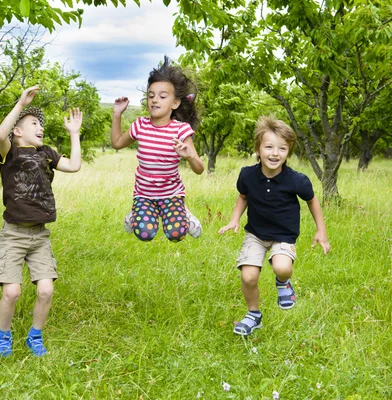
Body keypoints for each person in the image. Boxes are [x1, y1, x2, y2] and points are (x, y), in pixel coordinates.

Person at [218, 116, 331, 336]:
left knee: (282, 267)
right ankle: (253, 315)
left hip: (283, 235)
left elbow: (312, 200)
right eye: (268, 147)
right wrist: (234, 220)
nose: (274, 153)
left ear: (288, 152)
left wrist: (321, 231)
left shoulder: (297, 180)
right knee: (248, 276)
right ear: (258, 149)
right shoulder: (247, 175)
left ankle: (283, 283)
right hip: (256, 234)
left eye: (282, 148)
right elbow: (243, 196)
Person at [0, 85, 82, 357]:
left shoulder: (47, 153)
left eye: (40, 124)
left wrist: (74, 134)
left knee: (46, 290)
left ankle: (35, 335)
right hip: (14, 234)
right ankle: (3, 335)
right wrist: (21, 105)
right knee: (12, 292)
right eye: (33, 124)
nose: (39, 127)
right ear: (17, 131)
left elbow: (74, 165)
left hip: (39, 236)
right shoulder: (10, 153)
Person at [111, 56, 204, 242]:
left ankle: (183, 212)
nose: (154, 100)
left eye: (162, 96)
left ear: (175, 103)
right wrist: (117, 114)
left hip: (172, 194)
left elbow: (199, 169)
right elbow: (117, 143)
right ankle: (136, 213)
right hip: (144, 195)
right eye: (151, 96)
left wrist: (189, 157)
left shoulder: (180, 130)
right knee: (145, 234)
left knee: (176, 234)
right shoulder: (140, 125)